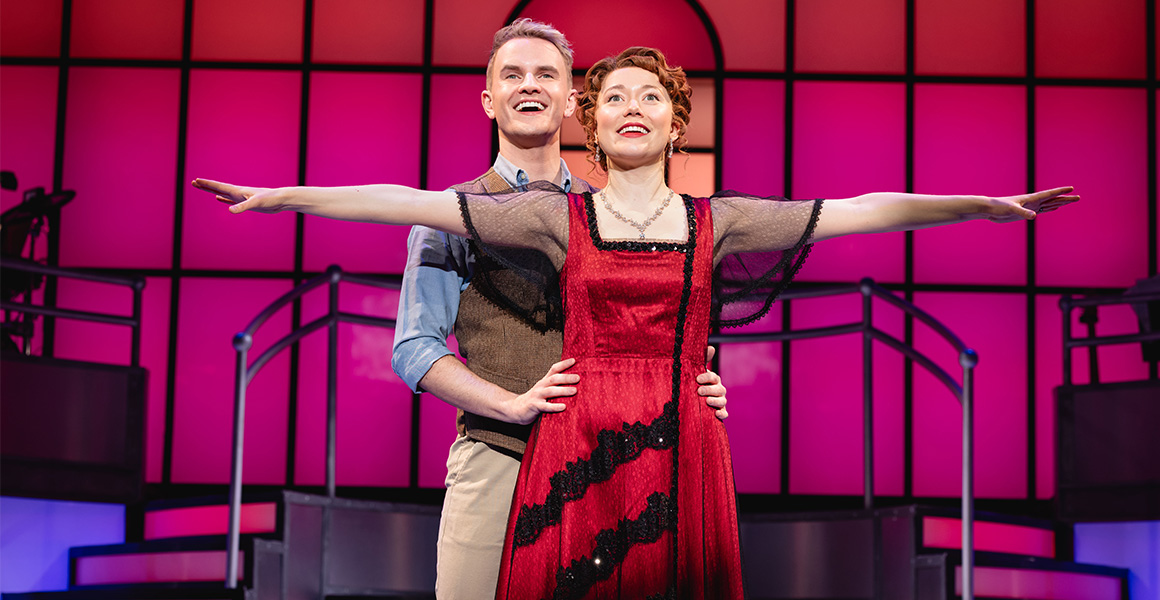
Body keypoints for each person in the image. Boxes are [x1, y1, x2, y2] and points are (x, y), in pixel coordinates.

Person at [194, 44, 1076, 598]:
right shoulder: (550, 217)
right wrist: (281, 198)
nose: (629, 109)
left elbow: (856, 209)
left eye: (647, 98)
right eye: (613, 96)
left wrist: (984, 205)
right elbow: (404, 203)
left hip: (680, 439)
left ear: (676, 121)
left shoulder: (717, 220)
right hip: (558, 443)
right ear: (593, 119)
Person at [395, 21, 730, 598]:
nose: (530, 85)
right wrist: (512, 404)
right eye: (512, 75)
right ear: (488, 99)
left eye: (546, 74)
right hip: (500, 456)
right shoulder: (453, 212)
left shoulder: (614, 212)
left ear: (574, 100)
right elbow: (414, 349)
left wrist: (699, 379)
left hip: (607, 463)